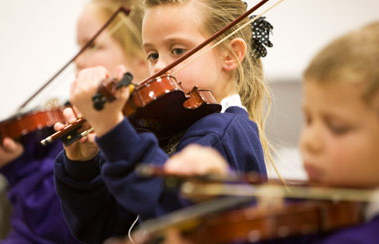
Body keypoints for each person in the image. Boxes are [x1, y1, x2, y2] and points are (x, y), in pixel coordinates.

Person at [54, 0, 273, 244]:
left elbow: (172, 214)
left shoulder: (218, 134)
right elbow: (105, 230)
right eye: (153, 55)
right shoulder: (178, 128)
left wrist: (114, 129)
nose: (158, 67)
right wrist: (83, 168)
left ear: (230, 54)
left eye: (177, 50)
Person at [154, 20, 379, 244]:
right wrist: (221, 187)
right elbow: (262, 212)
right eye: (309, 120)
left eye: (337, 127)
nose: (310, 141)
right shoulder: (331, 206)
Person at [0, 0, 149, 244]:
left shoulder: (124, 135)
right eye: (79, 46)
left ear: (143, 61)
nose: (78, 59)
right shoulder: (71, 117)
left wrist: (15, 168)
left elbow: (60, 226)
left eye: (93, 45)